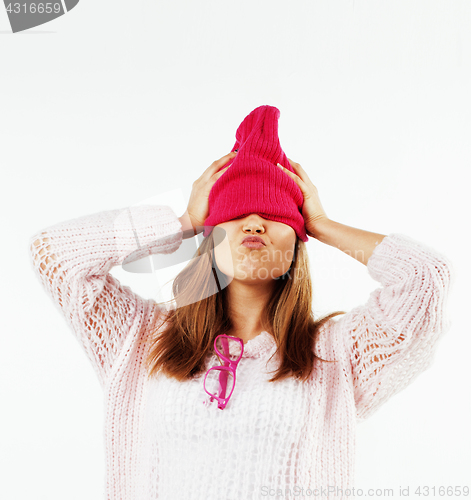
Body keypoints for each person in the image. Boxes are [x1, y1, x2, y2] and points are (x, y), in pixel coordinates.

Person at [29, 105, 453, 500]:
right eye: (235, 214)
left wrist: (323, 224)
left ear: (298, 241)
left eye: (274, 215)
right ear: (211, 238)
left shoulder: (334, 354)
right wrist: (182, 222)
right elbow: (55, 256)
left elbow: (426, 278)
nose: (254, 222)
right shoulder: (142, 339)